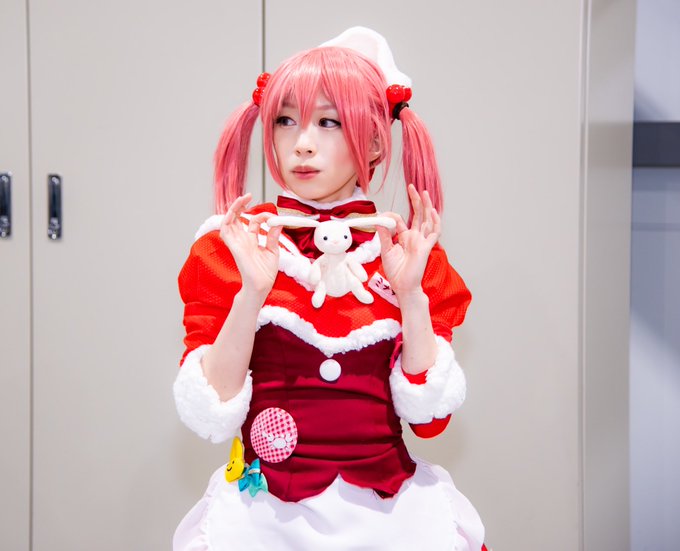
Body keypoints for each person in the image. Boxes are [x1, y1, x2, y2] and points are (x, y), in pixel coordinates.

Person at [172, 27, 486, 551]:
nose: (302, 143)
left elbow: (431, 421)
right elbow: (212, 410)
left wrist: (411, 296)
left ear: (375, 140)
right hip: (265, 521)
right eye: (285, 120)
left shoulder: (408, 255)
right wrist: (252, 293)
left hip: (389, 519)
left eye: (328, 121)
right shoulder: (234, 247)